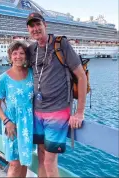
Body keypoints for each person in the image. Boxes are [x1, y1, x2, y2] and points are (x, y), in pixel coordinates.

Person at [26, 12, 87, 177]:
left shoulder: (61, 44)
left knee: (49, 161)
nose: (35, 29)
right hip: (37, 111)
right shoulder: (31, 49)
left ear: (45, 25)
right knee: (40, 155)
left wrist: (80, 112)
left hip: (58, 112)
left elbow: (81, 76)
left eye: (38, 24)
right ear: (28, 29)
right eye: (32, 26)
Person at [0, 41, 34, 177]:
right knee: (14, 164)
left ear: (26, 56)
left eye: (21, 53)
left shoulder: (32, 74)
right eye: (14, 53)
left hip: (27, 124)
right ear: (10, 57)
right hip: (11, 124)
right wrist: (6, 121)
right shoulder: (3, 79)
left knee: (24, 162)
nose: (18, 56)